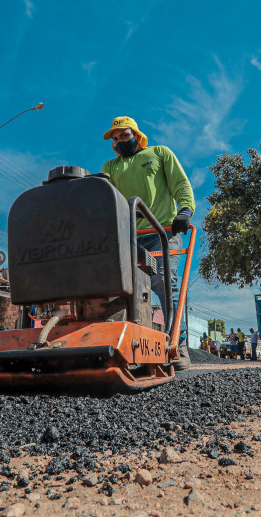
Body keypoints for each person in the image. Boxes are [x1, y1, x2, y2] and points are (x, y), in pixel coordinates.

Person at [101, 116, 196, 370]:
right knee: (118, 287)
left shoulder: (159, 153)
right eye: (116, 137)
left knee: (164, 283)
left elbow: (180, 183)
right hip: (129, 235)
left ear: (137, 135)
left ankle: (179, 344)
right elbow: (106, 200)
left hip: (163, 231)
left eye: (125, 135)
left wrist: (185, 210)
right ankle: (121, 343)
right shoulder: (110, 166)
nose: (121, 140)